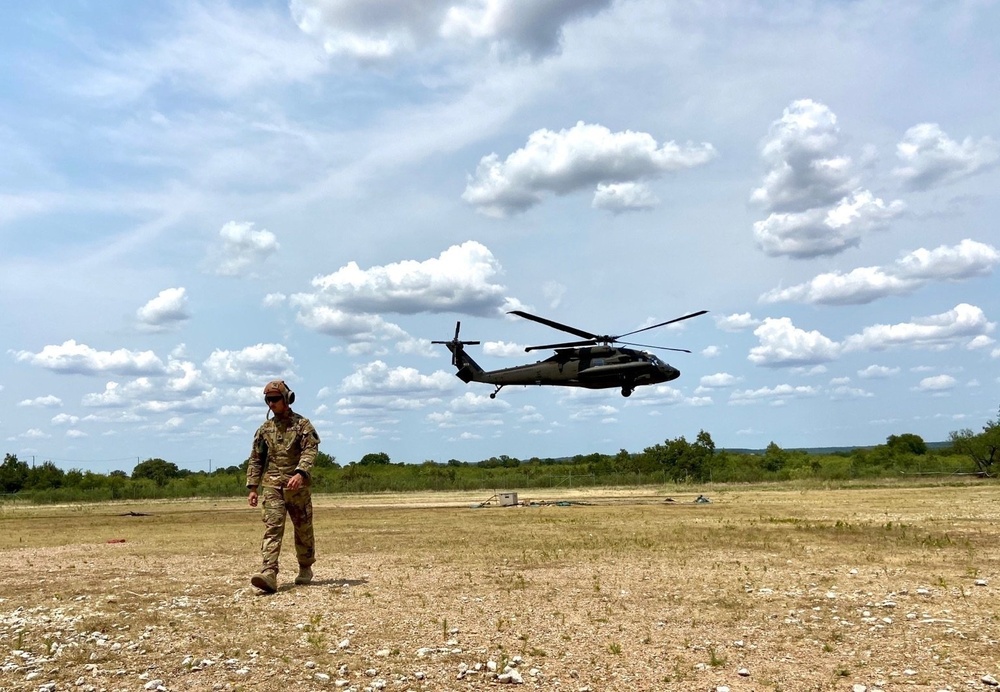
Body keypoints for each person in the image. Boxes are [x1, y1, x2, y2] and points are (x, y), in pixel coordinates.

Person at [246, 379, 321, 593]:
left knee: (303, 529)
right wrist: (252, 487)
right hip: (272, 486)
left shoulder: (302, 425)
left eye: (275, 399)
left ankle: (305, 567)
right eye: (268, 400)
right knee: (273, 527)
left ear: (287, 399)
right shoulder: (264, 429)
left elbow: (310, 450)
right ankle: (269, 572)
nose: (271, 404)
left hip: (297, 487)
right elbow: (256, 459)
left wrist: (300, 472)